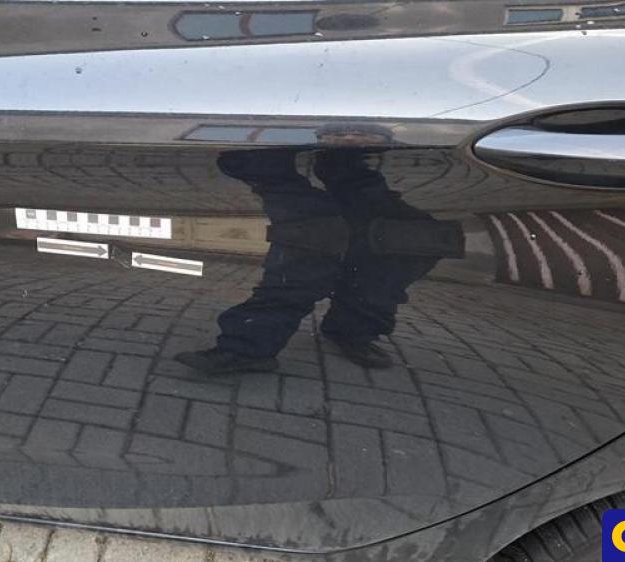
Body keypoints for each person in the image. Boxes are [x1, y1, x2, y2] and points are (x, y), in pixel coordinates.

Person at [175, 123, 455, 374]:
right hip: (285, 115)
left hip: (377, 112)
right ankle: (248, 346)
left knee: (410, 238)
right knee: (313, 233)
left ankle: (353, 327)